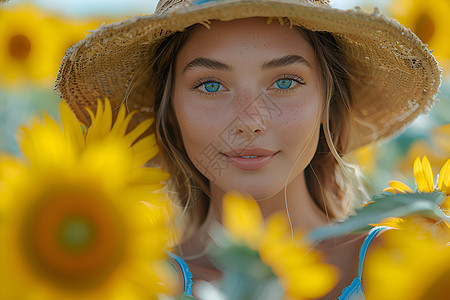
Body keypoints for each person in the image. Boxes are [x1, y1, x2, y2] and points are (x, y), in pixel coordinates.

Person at [55, 0, 441, 298]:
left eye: (285, 82)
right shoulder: (130, 283)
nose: (249, 120)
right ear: (169, 110)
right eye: (210, 85)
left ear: (328, 102)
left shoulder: (419, 268)